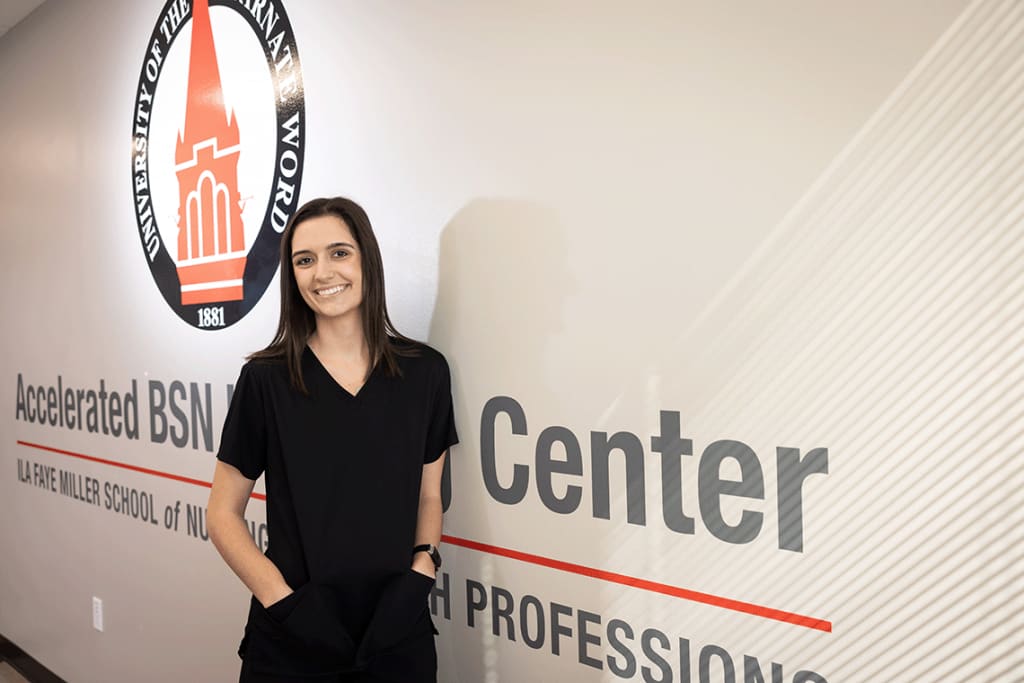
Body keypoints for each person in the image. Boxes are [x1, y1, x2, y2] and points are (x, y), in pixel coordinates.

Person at [207, 197, 457, 683]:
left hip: (395, 630)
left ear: (367, 258)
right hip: (294, 636)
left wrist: (422, 568)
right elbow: (221, 514)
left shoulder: (425, 372)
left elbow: (430, 493)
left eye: (339, 253)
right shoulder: (267, 380)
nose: (323, 272)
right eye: (305, 260)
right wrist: (284, 604)